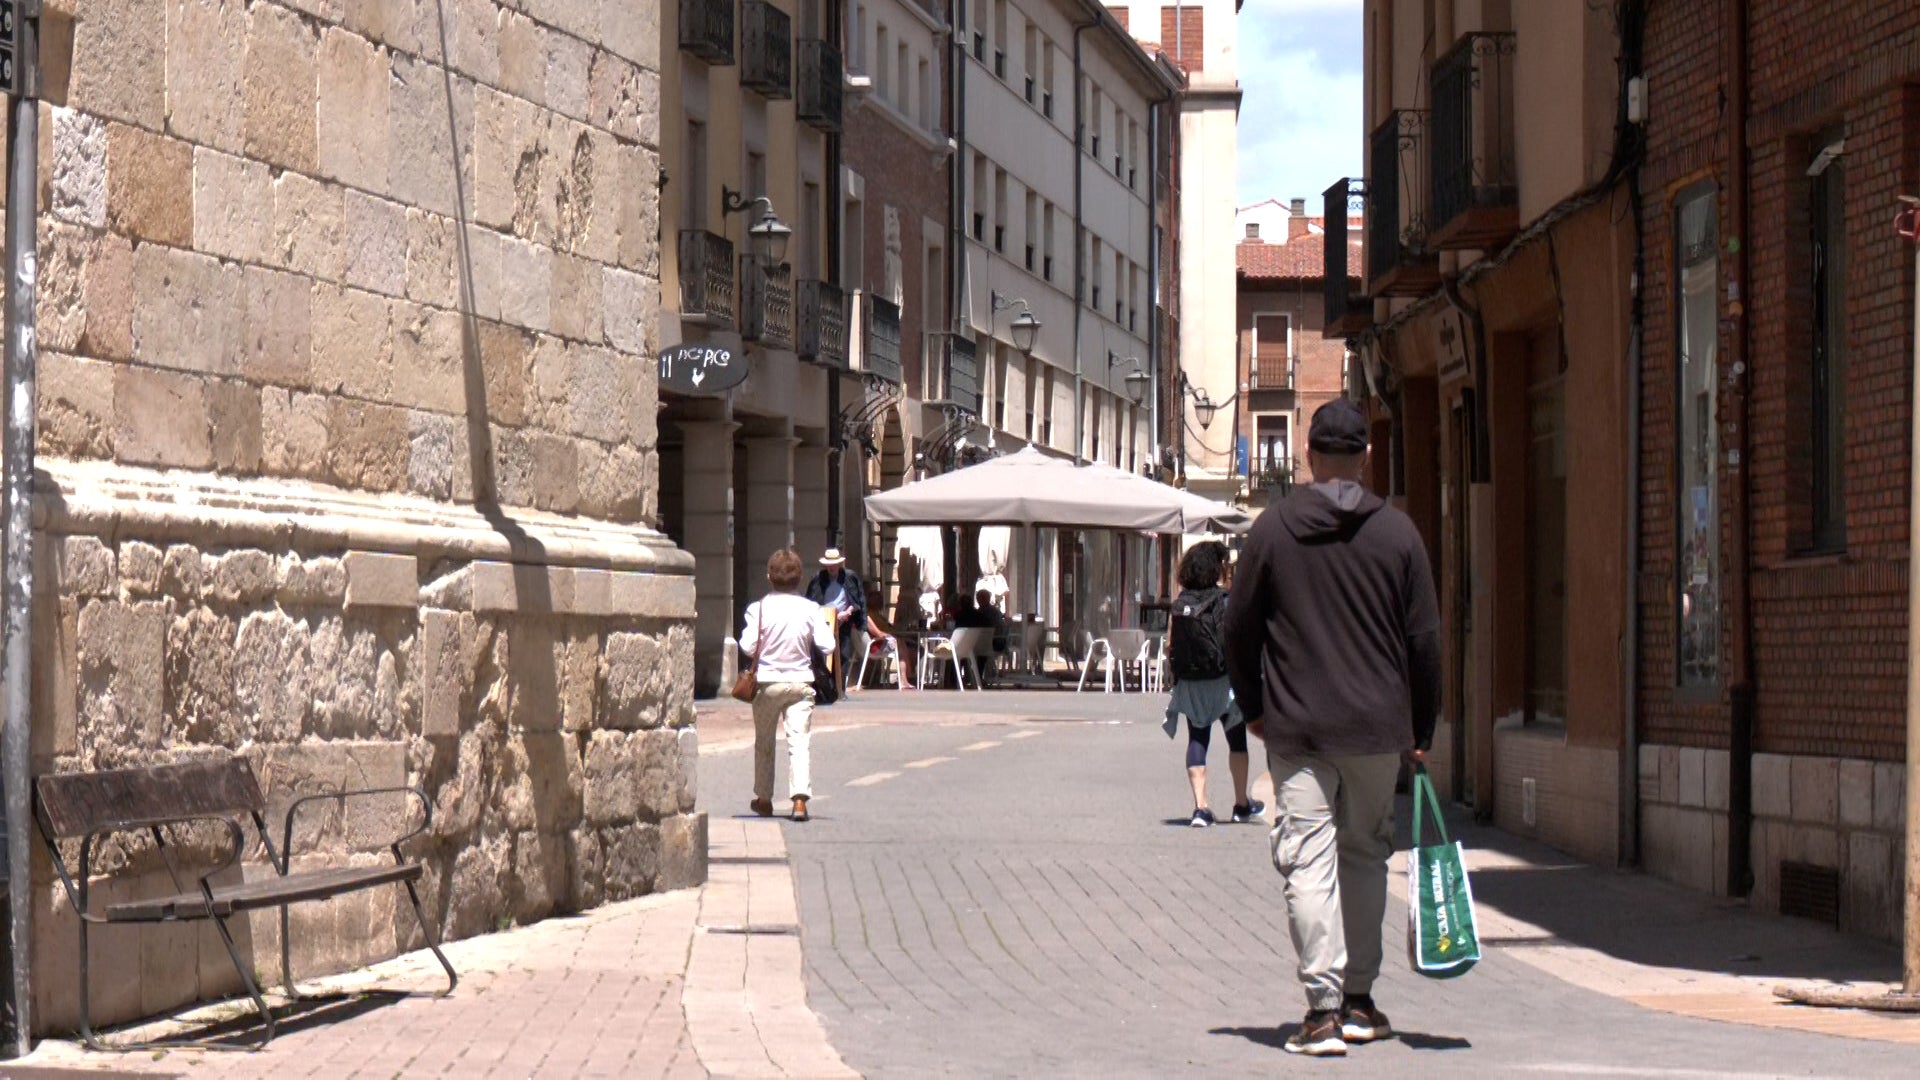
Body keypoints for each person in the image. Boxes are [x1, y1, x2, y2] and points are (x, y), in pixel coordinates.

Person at [1224, 399, 1440, 1058]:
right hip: (1379, 730)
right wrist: (1421, 726)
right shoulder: (1400, 534)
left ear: (1309, 455)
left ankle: (1320, 1012)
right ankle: (1360, 1002)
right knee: (1368, 853)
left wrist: (1254, 705)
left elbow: (1238, 627)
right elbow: (1425, 640)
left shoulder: (1274, 530)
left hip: (1300, 728)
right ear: (1366, 456)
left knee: (1307, 861)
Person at [1164, 541, 1262, 828]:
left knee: (1197, 739)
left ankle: (1200, 807)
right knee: (1237, 741)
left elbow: (1172, 645)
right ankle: (1241, 804)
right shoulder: (1226, 600)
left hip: (1192, 683)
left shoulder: (1181, 603)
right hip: (1224, 682)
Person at [741, 548, 837, 822]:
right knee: (799, 741)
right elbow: (828, 646)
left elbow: (747, 646)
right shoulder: (810, 609)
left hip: (767, 684)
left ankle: (763, 798)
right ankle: (799, 801)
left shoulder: (757, 609)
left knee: (765, 741)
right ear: (799, 577)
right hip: (801, 683)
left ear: (768, 576)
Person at [804, 548, 866, 694]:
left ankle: (840, 689)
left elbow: (857, 599)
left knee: (843, 655)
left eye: (834, 564)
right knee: (822, 654)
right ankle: (825, 688)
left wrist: (848, 612)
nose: (831, 567)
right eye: (828, 564)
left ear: (839, 564)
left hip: (843, 622)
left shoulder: (850, 577)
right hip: (823, 622)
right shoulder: (818, 578)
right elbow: (811, 600)